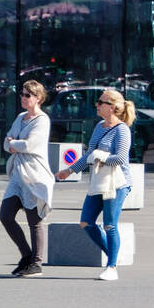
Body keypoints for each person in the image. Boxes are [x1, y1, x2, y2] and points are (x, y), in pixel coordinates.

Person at [56, 88, 135, 280]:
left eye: (101, 102)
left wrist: (100, 156)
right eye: (98, 102)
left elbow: (121, 159)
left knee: (110, 225)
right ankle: (113, 256)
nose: (97, 105)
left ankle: (112, 267)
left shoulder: (122, 130)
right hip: (99, 181)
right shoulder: (99, 126)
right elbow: (88, 155)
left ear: (113, 107)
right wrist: (70, 170)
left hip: (117, 183)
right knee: (86, 222)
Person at [1, 80, 54, 278]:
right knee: (6, 216)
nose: (23, 98)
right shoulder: (20, 117)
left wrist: (14, 144)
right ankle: (26, 255)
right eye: (22, 94)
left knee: (34, 221)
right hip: (17, 176)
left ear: (38, 98)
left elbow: (30, 145)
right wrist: (13, 144)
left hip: (34, 176)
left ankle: (36, 263)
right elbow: (7, 143)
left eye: (27, 95)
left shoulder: (42, 120)